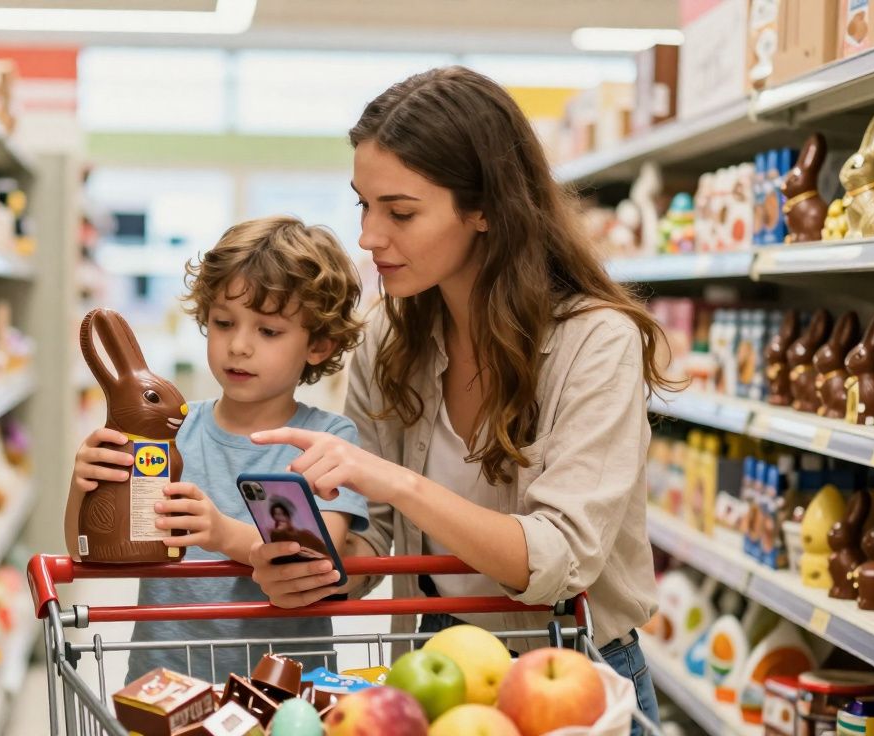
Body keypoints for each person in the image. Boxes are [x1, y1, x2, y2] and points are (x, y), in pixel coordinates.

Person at [245, 67, 670, 728]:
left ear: (486, 209)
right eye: (363, 203)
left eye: (401, 212)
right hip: (434, 671)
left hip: (573, 678)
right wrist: (319, 569)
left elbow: (559, 559)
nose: (367, 235)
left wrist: (396, 483)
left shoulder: (596, 342)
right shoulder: (389, 336)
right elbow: (376, 536)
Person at [70, 215, 369, 683]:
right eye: (224, 323)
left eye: (269, 331)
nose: (239, 347)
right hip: (165, 683)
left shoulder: (327, 442)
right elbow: (91, 548)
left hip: (283, 694)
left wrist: (222, 533)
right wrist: (87, 488)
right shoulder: (170, 431)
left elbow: (314, 561)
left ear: (319, 345)